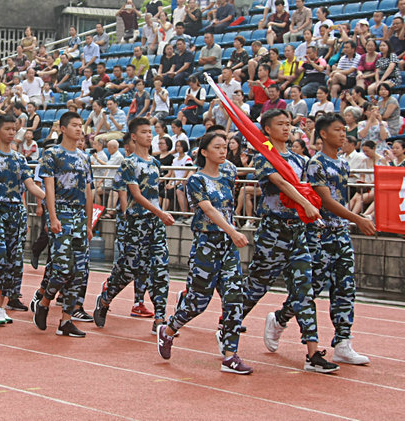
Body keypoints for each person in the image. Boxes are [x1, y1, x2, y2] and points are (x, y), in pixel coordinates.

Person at [268, 113, 376, 365]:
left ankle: (343, 341)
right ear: (324, 134)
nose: (343, 134)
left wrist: (350, 221)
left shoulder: (343, 163)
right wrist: (357, 219)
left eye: (344, 130)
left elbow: (341, 197)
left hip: (341, 233)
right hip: (320, 234)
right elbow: (326, 200)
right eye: (337, 130)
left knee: (345, 287)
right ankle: (280, 318)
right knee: (311, 288)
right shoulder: (316, 164)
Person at [242, 109, 338, 373]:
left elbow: (305, 186)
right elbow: (281, 183)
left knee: (304, 289)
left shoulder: (300, 160)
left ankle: (313, 353)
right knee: (256, 287)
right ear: (267, 130)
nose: (286, 128)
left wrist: (311, 206)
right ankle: (228, 325)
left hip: (297, 232)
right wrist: (305, 203)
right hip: (273, 232)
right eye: (280, 124)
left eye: (288, 124)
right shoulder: (264, 156)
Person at [156, 132, 252, 373]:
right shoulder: (196, 180)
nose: (223, 151)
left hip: (228, 246)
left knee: (234, 297)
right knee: (198, 302)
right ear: (204, 152)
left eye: (224, 147)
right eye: (217, 147)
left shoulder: (229, 172)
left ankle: (230, 355)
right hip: (206, 245)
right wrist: (233, 231)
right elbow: (208, 209)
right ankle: (168, 330)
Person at [93, 117, 175, 334]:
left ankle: (160, 318)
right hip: (136, 223)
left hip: (155, 223)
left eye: (150, 132)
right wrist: (160, 213)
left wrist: (159, 215)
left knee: (160, 268)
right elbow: (136, 195)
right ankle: (105, 299)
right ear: (134, 137)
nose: (149, 135)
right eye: (144, 132)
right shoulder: (128, 163)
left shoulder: (155, 163)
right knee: (128, 269)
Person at [31, 111, 93, 338]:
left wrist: (88, 223)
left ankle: (66, 320)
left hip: (79, 216)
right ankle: (44, 302)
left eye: (81, 125)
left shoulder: (84, 157)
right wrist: (53, 216)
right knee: (63, 268)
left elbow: (88, 190)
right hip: (61, 213)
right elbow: (48, 186)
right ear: (63, 129)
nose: (79, 129)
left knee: (79, 271)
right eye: (74, 125)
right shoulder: (52, 154)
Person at [0, 114, 46, 325]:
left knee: (13, 260)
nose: (12, 133)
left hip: (15, 212)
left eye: (14, 129)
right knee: (0, 256)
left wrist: (48, 198)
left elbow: (29, 185)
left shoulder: (20, 159)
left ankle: (2, 306)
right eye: (7, 129)